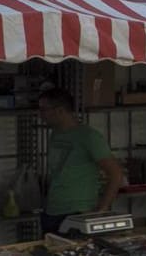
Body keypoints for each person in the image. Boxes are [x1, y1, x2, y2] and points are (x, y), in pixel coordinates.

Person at [37, 89, 122, 236]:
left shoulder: (89, 137)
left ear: (60, 111)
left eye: (44, 109)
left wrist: (100, 210)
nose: (40, 114)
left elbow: (115, 174)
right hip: (53, 210)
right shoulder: (55, 134)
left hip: (79, 211)